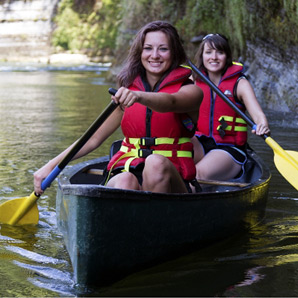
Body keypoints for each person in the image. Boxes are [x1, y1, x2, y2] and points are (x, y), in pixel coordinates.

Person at [34, 21, 203, 195]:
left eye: (163, 49)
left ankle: (152, 217)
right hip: (130, 168)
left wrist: (139, 96)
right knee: (124, 179)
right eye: (148, 48)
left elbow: (171, 102)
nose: (154, 55)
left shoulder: (191, 91)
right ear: (140, 52)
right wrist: (49, 167)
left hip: (172, 180)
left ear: (174, 53)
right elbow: (92, 139)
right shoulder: (128, 93)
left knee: (155, 162)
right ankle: (126, 216)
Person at [192, 33, 270, 181]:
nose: (213, 57)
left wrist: (262, 125)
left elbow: (258, 115)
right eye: (208, 52)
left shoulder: (240, 84)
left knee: (196, 175)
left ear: (227, 56)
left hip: (228, 149)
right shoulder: (193, 80)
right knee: (171, 159)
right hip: (200, 143)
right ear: (201, 55)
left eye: (219, 52)